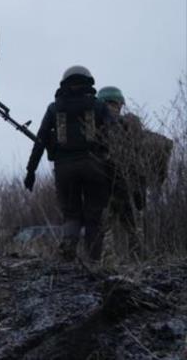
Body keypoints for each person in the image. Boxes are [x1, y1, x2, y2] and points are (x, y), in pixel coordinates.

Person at [23, 66, 114, 262]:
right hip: (94, 167)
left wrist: (31, 171)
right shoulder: (99, 106)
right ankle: (94, 263)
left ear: (65, 83)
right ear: (89, 82)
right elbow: (115, 138)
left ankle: (67, 261)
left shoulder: (54, 108)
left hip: (64, 169)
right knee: (94, 218)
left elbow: (40, 141)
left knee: (71, 215)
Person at [98, 86, 173, 262]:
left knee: (105, 229)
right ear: (120, 104)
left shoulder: (100, 128)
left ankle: (108, 266)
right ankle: (141, 265)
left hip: (109, 188)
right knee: (133, 229)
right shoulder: (134, 128)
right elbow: (164, 145)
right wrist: (157, 181)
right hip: (134, 189)